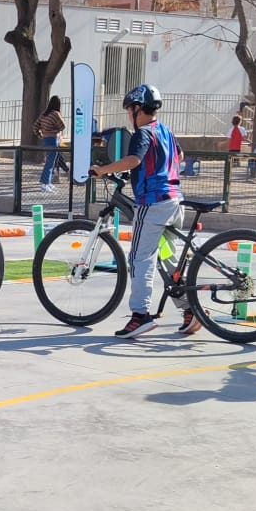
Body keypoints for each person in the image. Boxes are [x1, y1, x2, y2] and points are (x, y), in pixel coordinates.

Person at [89, 84, 188, 340]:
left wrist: (103, 170)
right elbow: (180, 155)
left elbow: (134, 160)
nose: (128, 116)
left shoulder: (143, 133)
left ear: (137, 109)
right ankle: (191, 310)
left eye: (129, 110)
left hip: (153, 204)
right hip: (174, 201)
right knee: (168, 257)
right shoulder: (165, 131)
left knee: (139, 258)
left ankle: (140, 316)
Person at [36, 95, 67, 192]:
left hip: (46, 139)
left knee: (50, 162)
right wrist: (56, 130)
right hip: (53, 139)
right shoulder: (55, 114)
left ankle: (47, 182)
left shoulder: (44, 114)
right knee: (51, 163)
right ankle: (45, 184)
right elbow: (63, 126)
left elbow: (35, 126)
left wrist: (41, 135)